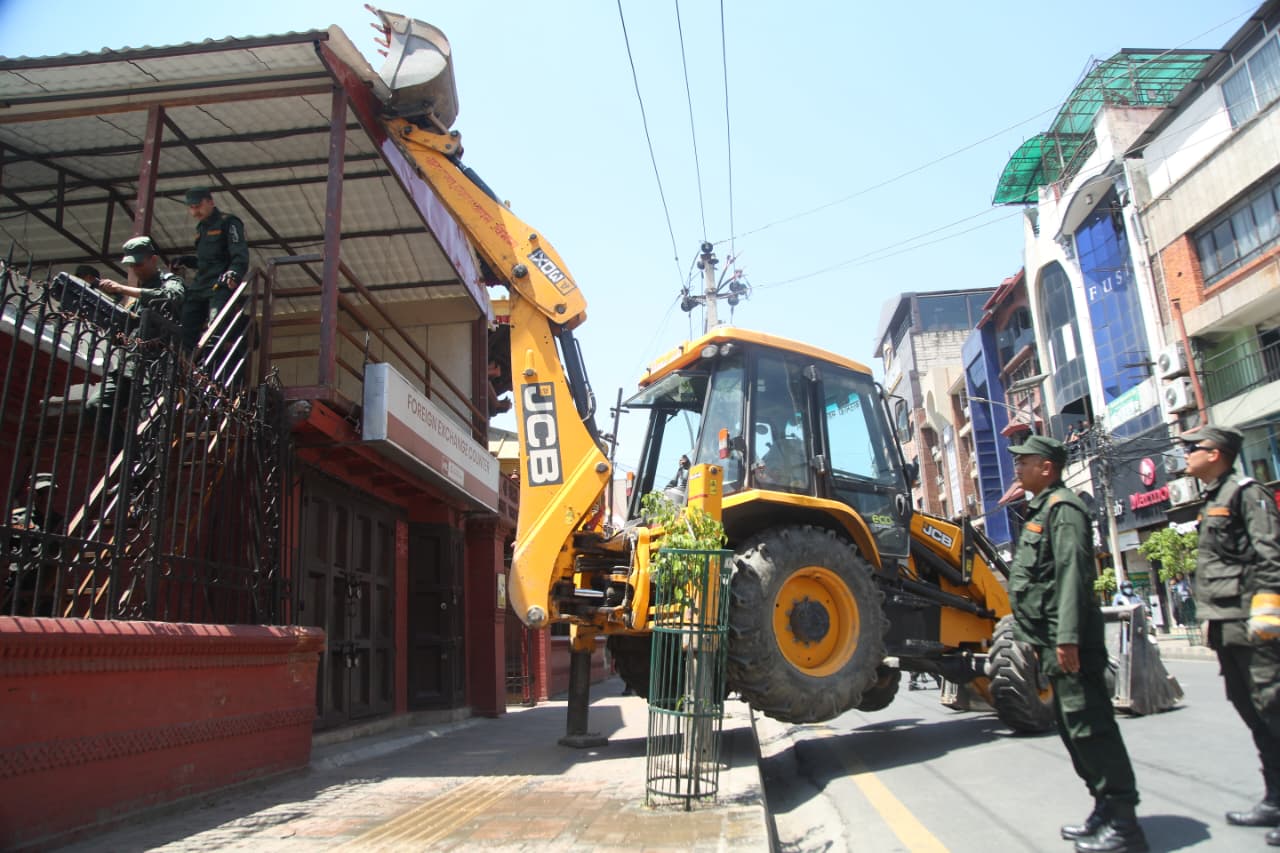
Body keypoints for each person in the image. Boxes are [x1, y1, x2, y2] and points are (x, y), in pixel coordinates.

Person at [1007, 434, 1146, 853]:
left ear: (1046, 468)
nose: (1018, 468)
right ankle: (1103, 807)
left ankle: (1125, 823)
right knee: (1072, 729)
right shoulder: (1042, 508)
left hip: (1069, 642)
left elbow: (1071, 576)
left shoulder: (1063, 509)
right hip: (1050, 639)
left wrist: (1066, 637)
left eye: (1024, 461)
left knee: (1092, 727)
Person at [1180, 424, 1280, 845]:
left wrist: (1267, 617)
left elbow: (1270, 556)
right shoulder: (1214, 498)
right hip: (1226, 625)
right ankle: (1275, 798)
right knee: (1253, 712)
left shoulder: (1246, 493)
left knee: (1274, 708)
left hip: (1254, 625)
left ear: (1216, 453)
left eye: (1193, 448)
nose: (1186, 455)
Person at [85, 236, 185, 454]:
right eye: (131, 265)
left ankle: (143, 468)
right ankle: (128, 455)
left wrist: (122, 288)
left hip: (154, 363)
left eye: (139, 264)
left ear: (153, 260)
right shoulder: (132, 297)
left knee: (147, 417)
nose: (135, 269)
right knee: (96, 405)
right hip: (127, 363)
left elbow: (171, 298)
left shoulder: (170, 281)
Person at [182, 186, 248, 353]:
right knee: (186, 327)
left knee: (216, 328)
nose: (195, 211)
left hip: (219, 284)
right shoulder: (201, 229)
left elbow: (239, 253)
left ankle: (214, 373)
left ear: (210, 202)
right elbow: (208, 261)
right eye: (191, 207)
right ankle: (188, 368)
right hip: (200, 285)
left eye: (198, 206)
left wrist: (235, 273)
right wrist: (186, 261)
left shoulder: (229, 222)